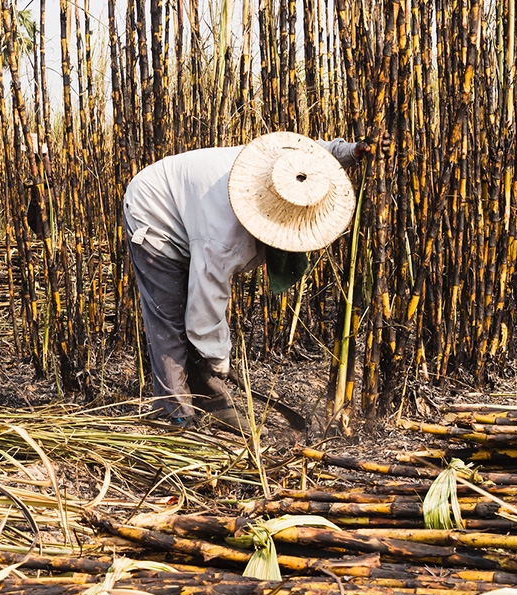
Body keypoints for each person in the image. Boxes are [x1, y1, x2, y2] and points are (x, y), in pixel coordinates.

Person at [123, 131, 375, 431]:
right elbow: (205, 308)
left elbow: (313, 156)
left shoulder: (281, 166)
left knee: (199, 334)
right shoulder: (224, 239)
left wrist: (349, 152)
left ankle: (211, 400)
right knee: (170, 316)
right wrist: (219, 360)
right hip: (154, 210)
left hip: (194, 208)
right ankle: (173, 410)